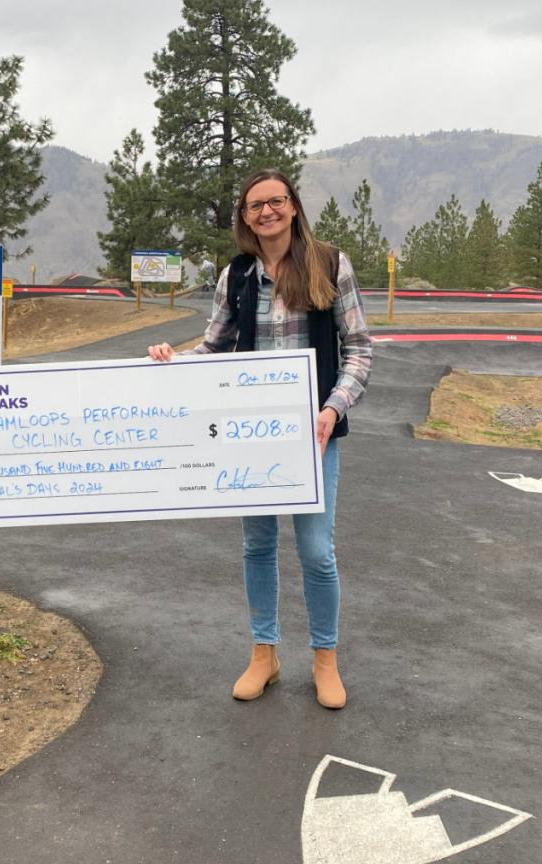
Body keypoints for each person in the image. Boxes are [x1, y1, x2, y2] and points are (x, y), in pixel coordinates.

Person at [148, 169, 372, 709]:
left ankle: (325, 659)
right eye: (254, 206)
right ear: (245, 218)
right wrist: (172, 360)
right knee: (258, 546)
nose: (265, 212)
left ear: (293, 207)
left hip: (312, 437)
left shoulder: (328, 263)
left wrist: (332, 408)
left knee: (317, 553)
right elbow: (214, 348)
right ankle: (264, 653)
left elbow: (359, 349)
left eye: (275, 201)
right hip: (249, 441)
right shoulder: (237, 275)